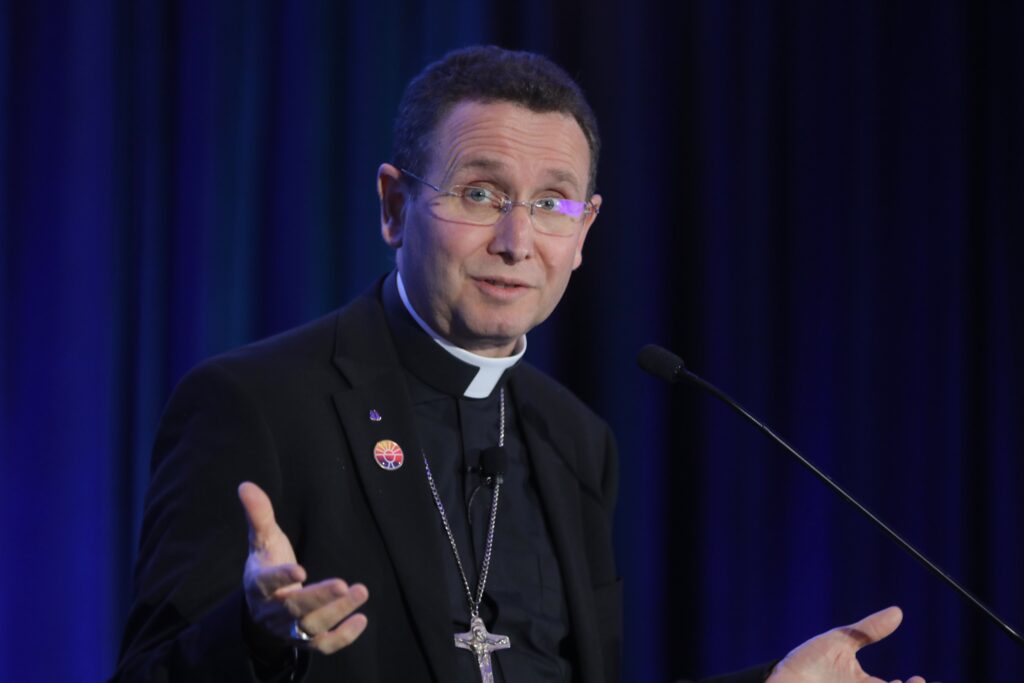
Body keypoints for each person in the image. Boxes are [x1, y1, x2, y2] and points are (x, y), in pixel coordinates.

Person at [114, 46, 929, 683]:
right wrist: (254, 637)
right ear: (396, 206)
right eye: (479, 193)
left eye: (551, 203)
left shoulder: (575, 441)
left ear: (585, 230)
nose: (516, 240)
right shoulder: (256, 404)